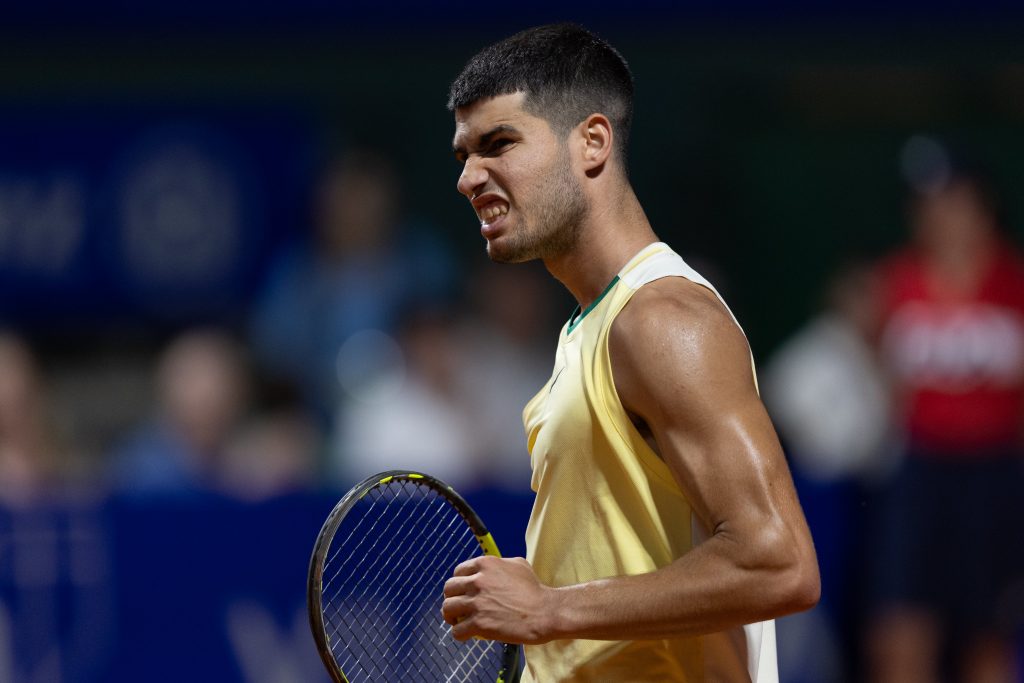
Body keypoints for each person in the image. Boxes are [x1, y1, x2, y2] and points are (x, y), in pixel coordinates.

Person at [439, 24, 819, 683]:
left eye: (499, 143)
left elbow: (778, 561)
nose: (470, 178)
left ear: (591, 142)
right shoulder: (585, 329)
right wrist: (556, 583)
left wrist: (554, 606)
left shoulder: (664, 321)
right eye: (464, 155)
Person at [866, 160, 1024, 683]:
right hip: (920, 472)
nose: (940, 218)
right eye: (927, 208)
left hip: (997, 475)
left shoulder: (1013, 282)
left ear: (982, 209)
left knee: (987, 630)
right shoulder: (896, 281)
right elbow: (882, 375)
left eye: (952, 204)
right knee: (901, 626)